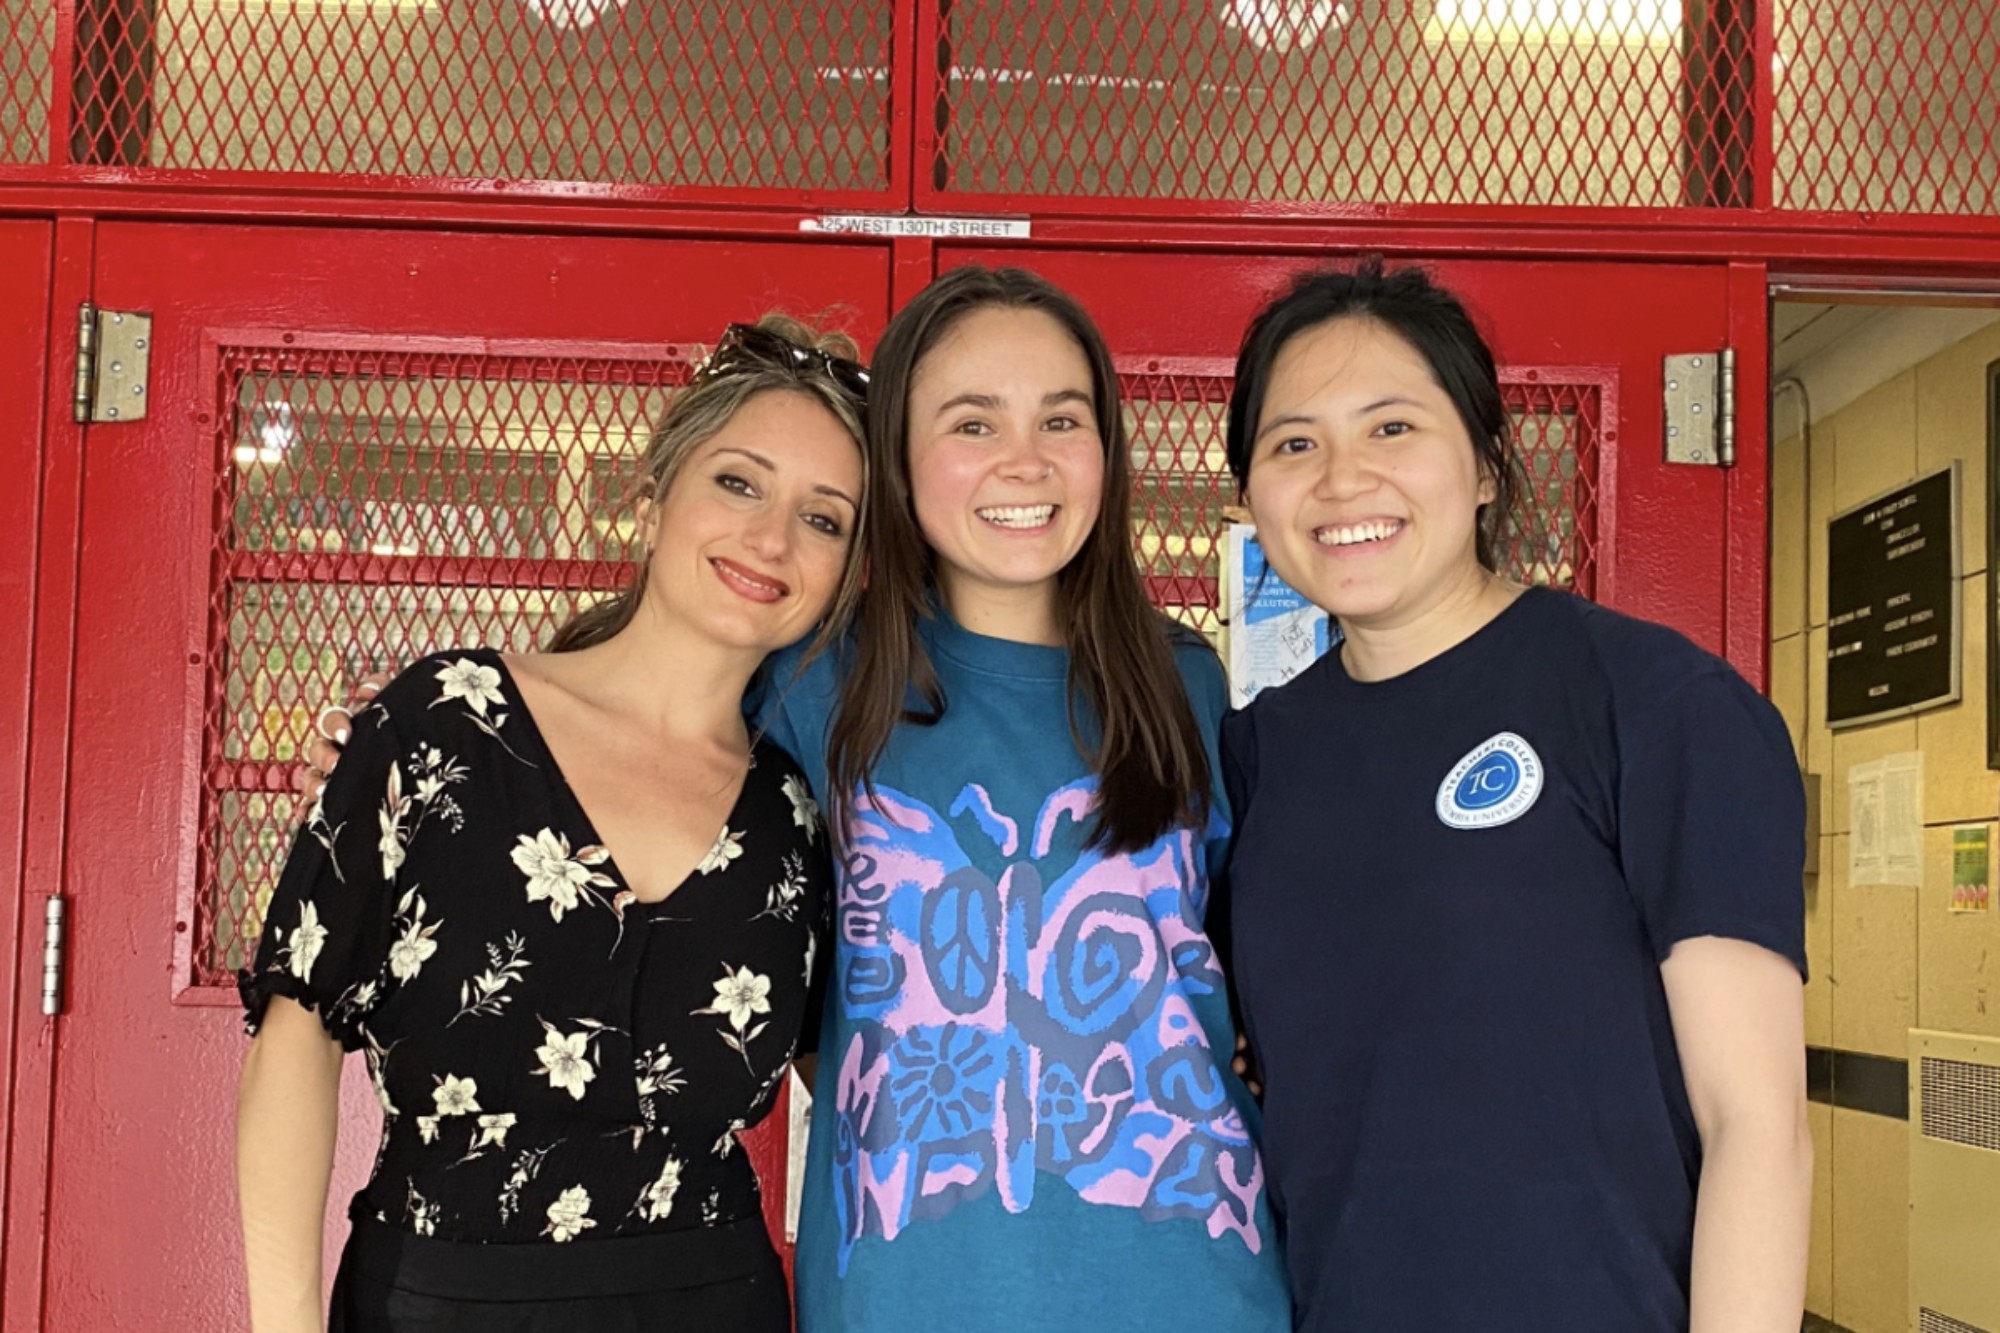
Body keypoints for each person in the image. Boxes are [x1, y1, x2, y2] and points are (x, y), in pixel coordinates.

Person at [300, 267, 1292, 1332]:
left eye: (1062, 416)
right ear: (899, 469)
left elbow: (1254, 956)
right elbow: (623, 727)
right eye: (970, 420)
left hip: (1194, 1282)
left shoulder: (1186, 682)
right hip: (905, 1292)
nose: (1024, 458)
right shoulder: (816, 680)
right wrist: (407, 749)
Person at [236, 315, 870, 1333]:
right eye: (739, 482)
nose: (772, 538)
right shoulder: (445, 726)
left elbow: (869, 1070)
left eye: (825, 518)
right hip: (440, 1298)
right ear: (655, 494)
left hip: (712, 1302)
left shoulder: (795, 819)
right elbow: (296, 1025)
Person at [1217, 259, 1812, 1333]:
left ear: (1487, 463)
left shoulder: (1654, 705)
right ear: (1251, 492)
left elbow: (1754, 1126)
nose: (1340, 479)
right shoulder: (1260, 752)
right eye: (1292, 442)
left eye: (1390, 428)